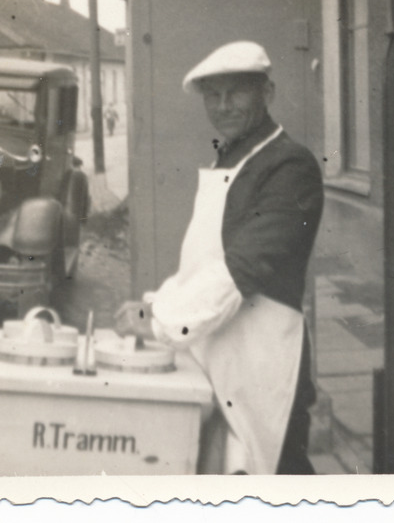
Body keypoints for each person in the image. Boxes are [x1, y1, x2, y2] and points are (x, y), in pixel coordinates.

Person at [115, 41, 323, 475]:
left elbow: (240, 270)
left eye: (236, 93)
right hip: (220, 349)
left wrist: (161, 323)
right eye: (213, 95)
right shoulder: (232, 158)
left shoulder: (289, 167)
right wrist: (157, 304)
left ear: (267, 92)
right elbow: (202, 264)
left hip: (263, 361)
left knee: (278, 482)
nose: (223, 106)